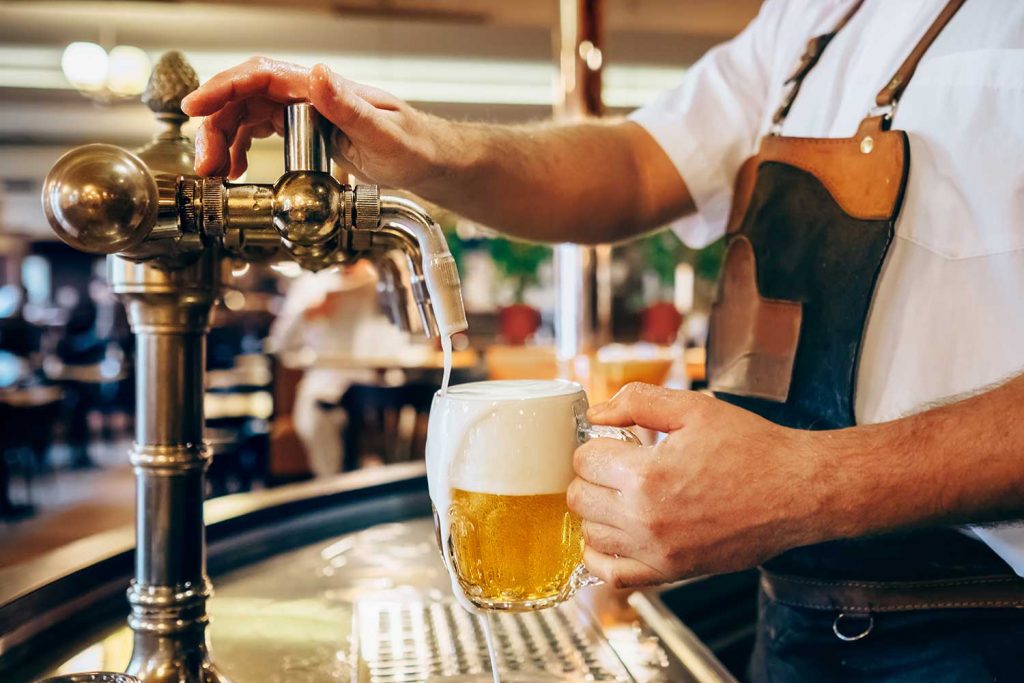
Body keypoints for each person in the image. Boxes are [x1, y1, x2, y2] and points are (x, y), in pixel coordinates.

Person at [182, 0, 1024, 678]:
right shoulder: (812, 19)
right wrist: (422, 147)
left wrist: (810, 481)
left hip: (992, 624)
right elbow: (631, 164)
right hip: (801, 615)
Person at [268, 261, 411, 476]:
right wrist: (310, 312)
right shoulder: (312, 282)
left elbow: (402, 338)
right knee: (318, 417)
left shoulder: (381, 280)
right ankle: (331, 487)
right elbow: (280, 342)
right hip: (324, 382)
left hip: (372, 382)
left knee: (399, 412)